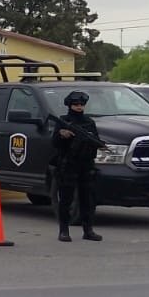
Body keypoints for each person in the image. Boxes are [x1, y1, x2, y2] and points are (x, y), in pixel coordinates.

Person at [51, 90, 103, 243]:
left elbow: (96, 141)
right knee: (66, 199)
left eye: (81, 104)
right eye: (76, 104)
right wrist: (62, 134)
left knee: (87, 199)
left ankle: (88, 230)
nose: (79, 107)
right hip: (68, 164)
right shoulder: (63, 121)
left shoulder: (89, 122)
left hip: (86, 164)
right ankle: (64, 231)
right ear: (70, 105)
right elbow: (54, 142)